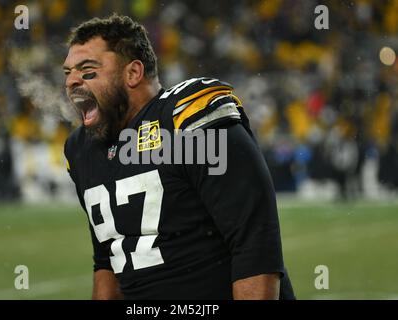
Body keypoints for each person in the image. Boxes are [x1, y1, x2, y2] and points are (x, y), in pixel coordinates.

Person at [63, 14, 294, 300]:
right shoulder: (82, 148)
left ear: (133, 73)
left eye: (87, 70)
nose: (72, 81)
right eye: (68, 72)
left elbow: (254, 244)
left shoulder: (185, 119)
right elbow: (108, 260)